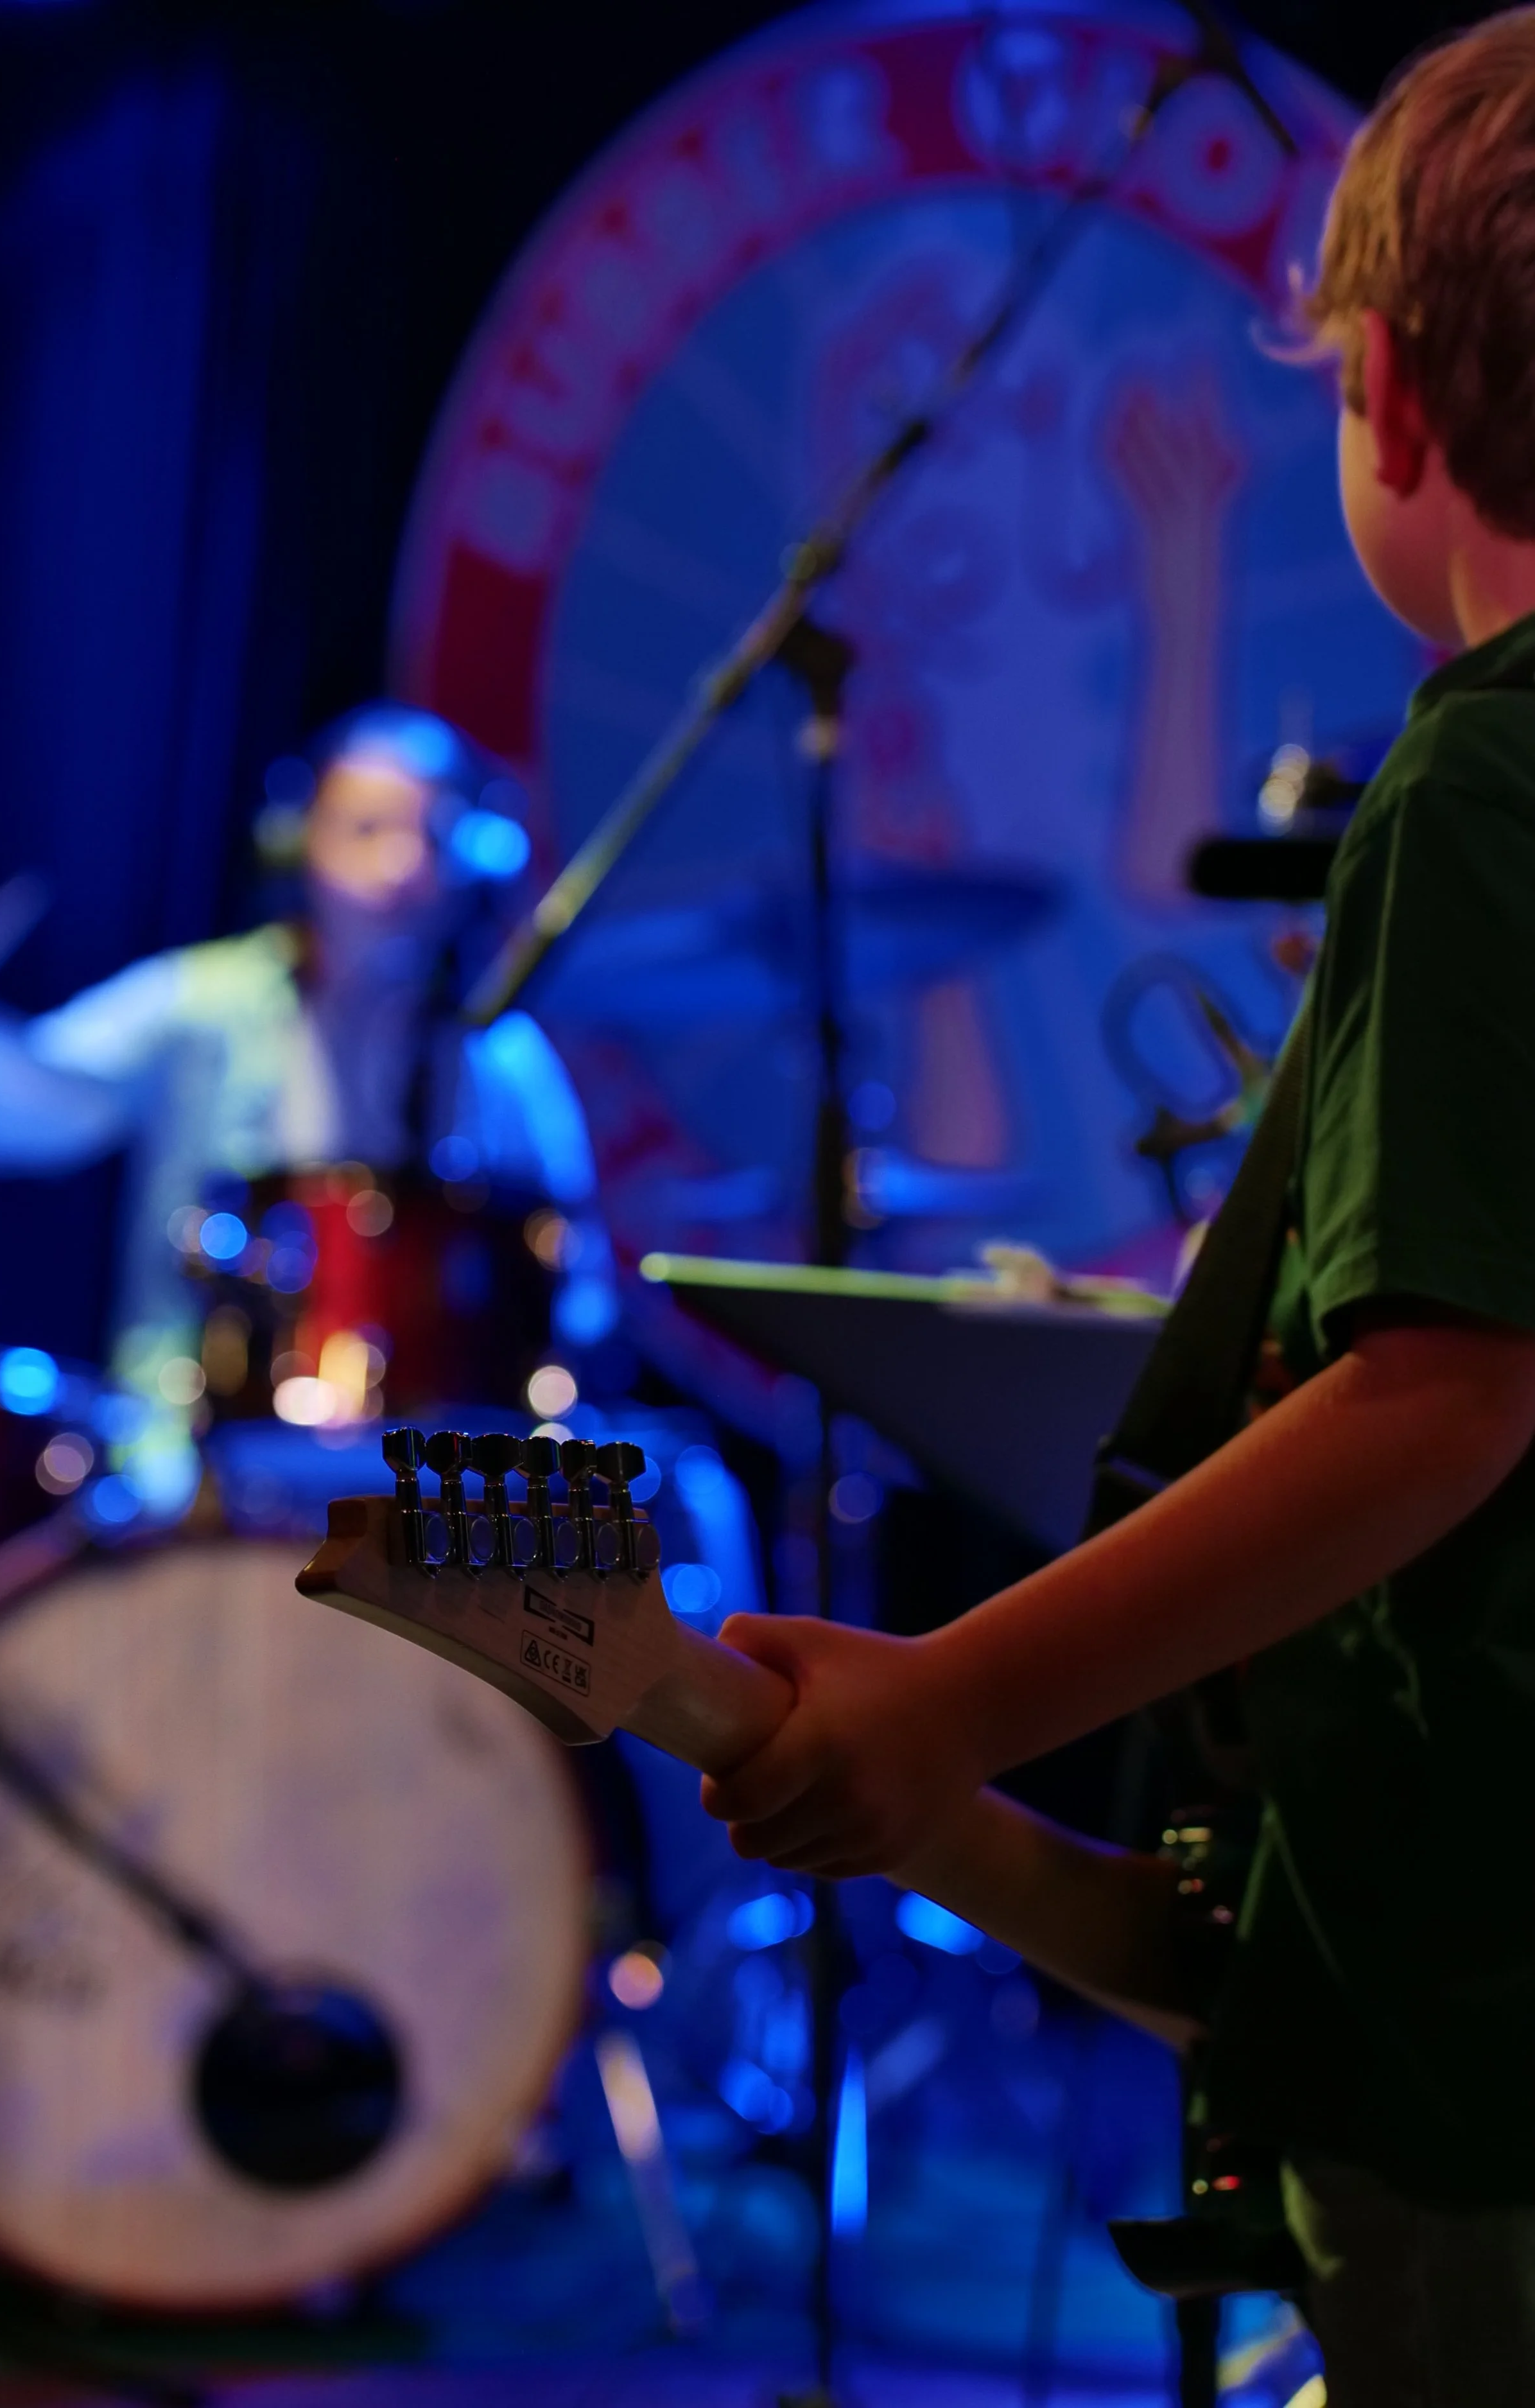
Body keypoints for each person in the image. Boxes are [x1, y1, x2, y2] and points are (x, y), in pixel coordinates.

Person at [703, 19, 1535, 2401]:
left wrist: (949, 1692)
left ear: (1384, 387)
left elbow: (1441, 1391)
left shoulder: (1484, 776)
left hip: (1482, 2052)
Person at [0, 704, 614, 1514]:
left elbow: (574, 1275)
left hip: (437, 1489)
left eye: (429, 836)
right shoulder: (203, 1003)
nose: (398, 866)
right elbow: (39, 1098)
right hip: (188, 1462)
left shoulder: (500, 1055)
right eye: (365, 830)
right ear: (300, 842)